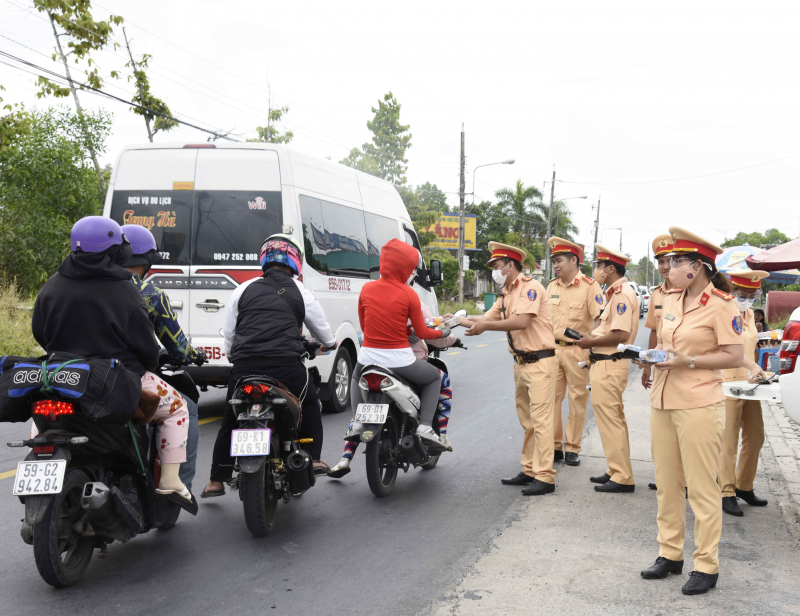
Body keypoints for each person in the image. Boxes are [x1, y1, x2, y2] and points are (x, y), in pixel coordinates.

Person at [32, 216, 194, 508]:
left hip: (62, 373)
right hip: (115, 377)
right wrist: (145, 363)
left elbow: (40, 332)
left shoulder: (52, 286)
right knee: (177, 408)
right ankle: (170, 480)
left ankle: (37, 458)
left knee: (44, 408)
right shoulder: (124, 290)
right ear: (117, 251)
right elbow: (146, 346)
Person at [640, 227, 743, 596]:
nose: (670, 266)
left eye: (678, 260)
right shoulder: (669, 299)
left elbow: (734, 356)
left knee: (701, 488)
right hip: (664, 400)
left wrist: (690, 360)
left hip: (700, 402)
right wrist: (649, 359)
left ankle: (706, 564)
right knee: (667, 484)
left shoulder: (721, 303)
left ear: (698, 266)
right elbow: (665, 342)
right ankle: (670, 554)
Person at [202, 234, 337, 497]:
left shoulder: (242, 289)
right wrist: (327, 345)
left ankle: (217, 479)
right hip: (286, 366)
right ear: (295, 262)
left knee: (230, 417)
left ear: (264, 260)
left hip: (244, 368)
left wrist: (234, 356)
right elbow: (326, 337)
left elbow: (229, 335)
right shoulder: (301, 292)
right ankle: (314, 457)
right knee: (310, 401)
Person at [457, 242, 558, 496]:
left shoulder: (530, 288)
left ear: (510, 265)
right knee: (528, 421)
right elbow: (485, 319)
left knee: (541, 421)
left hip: (541, 362)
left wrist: (484, 328)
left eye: (497, 266)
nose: (494, 270)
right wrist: (454, 320)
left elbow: (522, 322)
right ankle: (530, 469)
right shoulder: (506, 293)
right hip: (522, 364)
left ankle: (545, 477)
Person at [328, 290, 458, 478]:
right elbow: (429, 335)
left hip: (371, 362)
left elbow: (365, 327)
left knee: (362, 409)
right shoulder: (415, 302)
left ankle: (345, 458)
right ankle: (439, 432)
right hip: (406, 363)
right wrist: (452, 337)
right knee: (440, 379)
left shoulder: (370, 294)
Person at [120, 224, 207, 492]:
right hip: (124, 375)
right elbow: (178, 345)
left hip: (69, 370)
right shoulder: (147, 293)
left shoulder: (71, 285)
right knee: (185, 409)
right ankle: (175, 483)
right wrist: (196, 355)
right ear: (147, 262)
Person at [346, 238, 450, 451]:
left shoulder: (367, 289)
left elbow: (366, 327)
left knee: (355, 377)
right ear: (405, 268)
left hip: (367, 358)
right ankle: (425, 426)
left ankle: (357, 421)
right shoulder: (409, 294)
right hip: (399, 360)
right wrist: (443, 331)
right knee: (433, 379)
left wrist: (400, 330)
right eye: (411, 268)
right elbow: (422, 332)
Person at [573, 245, 639, 493]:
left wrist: (591, 341)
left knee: (611, 421)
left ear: (610, 268)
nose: (596, 270)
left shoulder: (621, 294)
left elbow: (619, 334)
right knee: (612, 420)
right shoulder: (614, 293)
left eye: (599, 266)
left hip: (610, 364)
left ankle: (622, 476)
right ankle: (616, 468)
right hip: (605, 364)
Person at [546, 236, 604, 467]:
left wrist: (593, 349)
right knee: (551, 399)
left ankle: (572, 448)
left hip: (578, 351)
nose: (556, 265)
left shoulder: (591, 287)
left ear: (573, 260)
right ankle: (555, 446)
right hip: (553, 350)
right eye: (554, 261)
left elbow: (600, 321)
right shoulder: (551, 286)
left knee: (578, 400)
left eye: (559, 260)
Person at [719, 269, 770, 517]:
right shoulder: (722, 311)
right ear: (732, 291)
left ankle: (744, 485)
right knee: (728, 440)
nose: (747, 300)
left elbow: (749, 346)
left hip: (750, 382)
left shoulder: (748, 314)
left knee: (756, 435)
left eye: (752, 295)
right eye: (743, 295)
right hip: (726, 381)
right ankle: (726, 492)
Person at [642, 234, 673, 491]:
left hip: (687, 366)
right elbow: (654, 332)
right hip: (662, 366)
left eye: (670, 260)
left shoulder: (690, 291)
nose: (665, 266)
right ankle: (666, 475)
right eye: (661, 261)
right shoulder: (657, 294)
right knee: (662, 425)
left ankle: (685, 479)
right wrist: (648, 364)